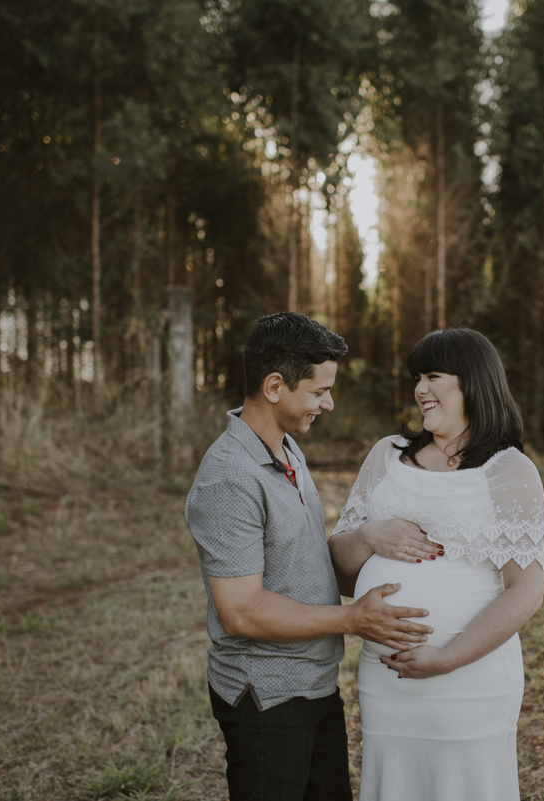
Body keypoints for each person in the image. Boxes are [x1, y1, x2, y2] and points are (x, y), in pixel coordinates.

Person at [184, 312, 434, 801]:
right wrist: (354, 619)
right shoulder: (229, 478)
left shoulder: (286, 449)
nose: (330, 402)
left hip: (315, 687)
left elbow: (303, 564)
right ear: (275, 386)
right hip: (267, 699)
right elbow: (241, 611)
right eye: (319, 391)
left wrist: (370, 541)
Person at [329, 327, 544, 801]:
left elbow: (526, 589)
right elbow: (340, 570)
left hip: (472, 683)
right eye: (417, 377)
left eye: (433, 376)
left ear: (472, 383)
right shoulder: (386, 457)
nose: (419, 389)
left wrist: (446, 658)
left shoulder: (509, 471)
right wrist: (370, 535)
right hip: (389, 681)